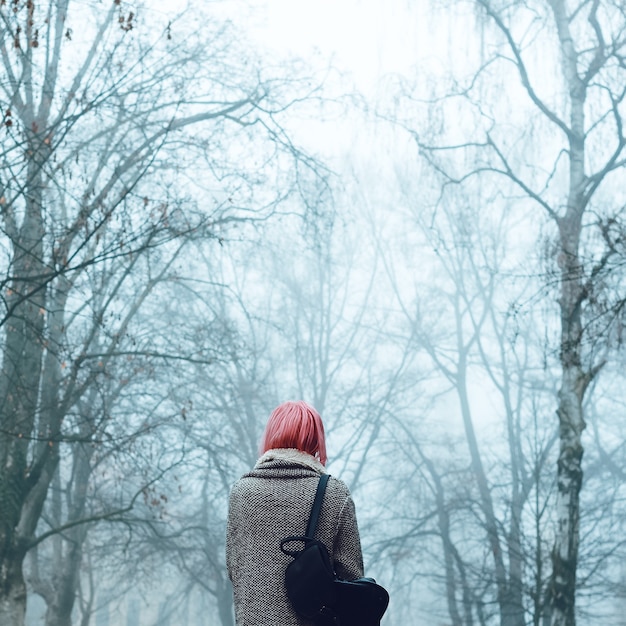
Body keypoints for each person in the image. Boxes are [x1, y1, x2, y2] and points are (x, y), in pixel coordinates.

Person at [226, 400, 364, 626]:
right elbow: (353, 581)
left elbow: (236, 571)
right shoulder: (335, 494)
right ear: (315, 440)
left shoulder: (242, 493)